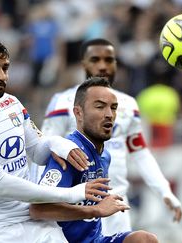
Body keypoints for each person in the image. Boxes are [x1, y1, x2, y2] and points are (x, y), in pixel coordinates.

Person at [0, 36, 119, 243]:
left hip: (35, 224)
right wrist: (74, 194)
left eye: (5, 68)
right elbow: (2, 185)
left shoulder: (12, 104)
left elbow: (38, 152)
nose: (1, 76)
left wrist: (57, 143)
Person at [29, 38, 182, 235]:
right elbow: (42, 152)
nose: (102, 65)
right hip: (78, 209)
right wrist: (36, 196)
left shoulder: (129, 104)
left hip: (117, 204)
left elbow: (141, 153)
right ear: (84, 63)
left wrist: (164, 190)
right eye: (95, 59)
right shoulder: (63, 102)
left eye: (109, 60)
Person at [30, 77, 159, 243]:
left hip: (95, 240)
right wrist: (96, 210)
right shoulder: (70, 153)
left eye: (113, 108)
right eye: (100, 107)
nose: (109, 115)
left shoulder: (105, 155)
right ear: (78, 113)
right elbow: (38, 209)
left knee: (145, 239)